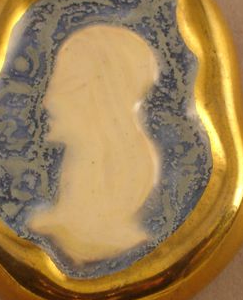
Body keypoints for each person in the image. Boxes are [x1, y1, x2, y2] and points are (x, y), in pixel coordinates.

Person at [28, 25, 160, 265]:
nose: (48, 100)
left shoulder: (107, 237)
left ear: (105, 99)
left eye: (67, 85)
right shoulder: (53, 224)